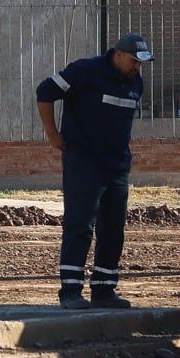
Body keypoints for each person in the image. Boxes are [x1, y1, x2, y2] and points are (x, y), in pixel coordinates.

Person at [36, 33, 152, 310]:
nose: (138, 67)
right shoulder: (85, 71)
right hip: (84, 163)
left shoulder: (135, 81)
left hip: (117, 166)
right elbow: (45, 91)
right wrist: (52, 134)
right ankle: (71, 292)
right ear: (119, 55)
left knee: (113, 228)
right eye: (134, 61)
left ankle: (104, 289)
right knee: (80, 225)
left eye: (141, 63)